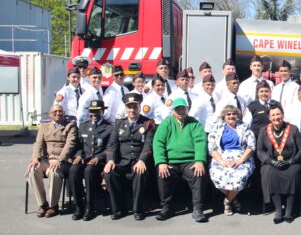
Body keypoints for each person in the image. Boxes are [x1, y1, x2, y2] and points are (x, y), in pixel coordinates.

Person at [153, 97, 208, 222]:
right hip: (171, 162)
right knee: (162, 174)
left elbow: (200, 142)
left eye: (183, 108)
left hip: (190, 161)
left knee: (198, 173)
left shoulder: (194, 123)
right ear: (173, 111)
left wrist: (199, 160)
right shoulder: (166, 123)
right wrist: (162, 162)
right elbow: (158, 143)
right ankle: (166, 208)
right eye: (178, 109)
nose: (181, 112)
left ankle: (198, 209)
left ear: (187, 109)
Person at [104, 93, 155, 221]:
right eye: (129, 107)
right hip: (122, 162)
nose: (132, 110)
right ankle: (118, 209)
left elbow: (148, 145)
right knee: (109, 173)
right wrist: (110, 160)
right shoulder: (118, 124)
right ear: (125, 108)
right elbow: (112, 145)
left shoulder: (148, 123)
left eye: (135, 107)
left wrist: (142, 160)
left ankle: (138, 209)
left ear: (139, 107)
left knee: (140, 173)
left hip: (138, 162)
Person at [257, 104, 301, 224]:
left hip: (291, 162)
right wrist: (271, 161)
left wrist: (291, 161)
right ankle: (278, 210)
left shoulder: (293, 129)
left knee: (293, 173)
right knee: (269, 173)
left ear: (283, 115)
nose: (276, 117)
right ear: (269, 117)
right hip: (272, 162)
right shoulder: (264, 130)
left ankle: (289, 211)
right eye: (273, 115)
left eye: (278, 114)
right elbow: (259, 150)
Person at [26, 104, 78, 218]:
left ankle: (53, 206)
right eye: (55, 112)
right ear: (50, 114)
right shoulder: (44, 125)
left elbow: (70, 145)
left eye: (60, 111)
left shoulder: (70, 126)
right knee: (32, 170)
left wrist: (59, 160)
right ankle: (43, 204)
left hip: (62, 160)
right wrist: (35, 158)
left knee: (53, 172)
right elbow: (38, 143)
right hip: (46, 158)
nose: (58, 114)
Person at [68, 99, 112, 221]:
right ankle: (79, 206)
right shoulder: (83, 126)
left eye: (97, 111)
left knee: (89, 171)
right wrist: (78, 155)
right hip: (84, 158)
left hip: (99, 161)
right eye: (91, 111)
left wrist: (99, 157)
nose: (93, 114)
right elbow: (79, 146)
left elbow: (110, 148)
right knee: (73, 171)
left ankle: (90, 207)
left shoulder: (109, 128)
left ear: (103, 111)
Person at [208, 105, 256, 216]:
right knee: (216, 174)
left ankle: (227, 201)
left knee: (239, 176)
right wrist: (222, 161)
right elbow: (212, 148)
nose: (231, 116)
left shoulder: (244, 127)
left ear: (238, 116)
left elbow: (251, 146)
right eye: (228, 114)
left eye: (233, 113)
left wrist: (240, 160)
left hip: (242, 156)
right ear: (224, 116)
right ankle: (233, 199)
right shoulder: (217, 127)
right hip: (222, 157)